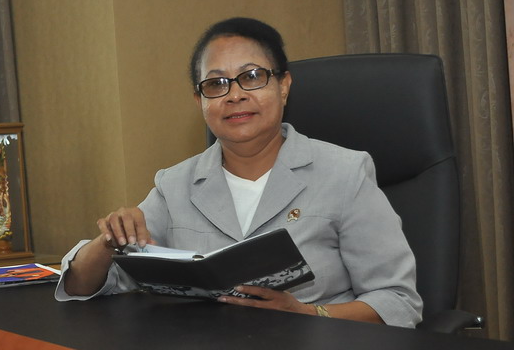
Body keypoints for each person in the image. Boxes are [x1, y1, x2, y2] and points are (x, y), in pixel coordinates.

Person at [54, 17, 423, 328]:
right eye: (216, 84)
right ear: (200, 101)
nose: (234, 95)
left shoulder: (345, 173)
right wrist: (108, 242)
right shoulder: (174, 185)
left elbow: (398, 302)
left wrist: (309, 314)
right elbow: (82, 285)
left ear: (283, 86)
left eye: (251, 76)